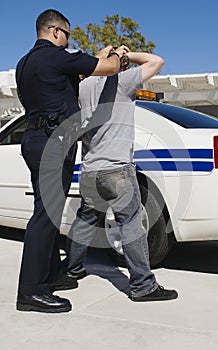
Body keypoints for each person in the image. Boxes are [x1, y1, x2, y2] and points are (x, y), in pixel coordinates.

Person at [15, 9, 128, 313]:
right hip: (54, 142)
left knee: (47, 210)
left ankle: (51, 274)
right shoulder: (59, 55)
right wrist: (119, 55)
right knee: (45, 216)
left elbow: (75, 74)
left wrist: (97, 59)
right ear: (55, 31)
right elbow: (108, 68)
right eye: (67, 34)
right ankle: (31, 291)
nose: (68, 41)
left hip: (35, 140)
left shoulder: (24, 63)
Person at [65, 49, 178, 302]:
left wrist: (105, 54)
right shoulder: (122, 80)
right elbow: (157, 61)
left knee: (85, 221)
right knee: (130, 226)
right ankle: (143, 285)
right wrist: (126, 53)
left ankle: (71, 270)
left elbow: (94, 66)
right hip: (116, 168)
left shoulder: (82, 87)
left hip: (90, 168)